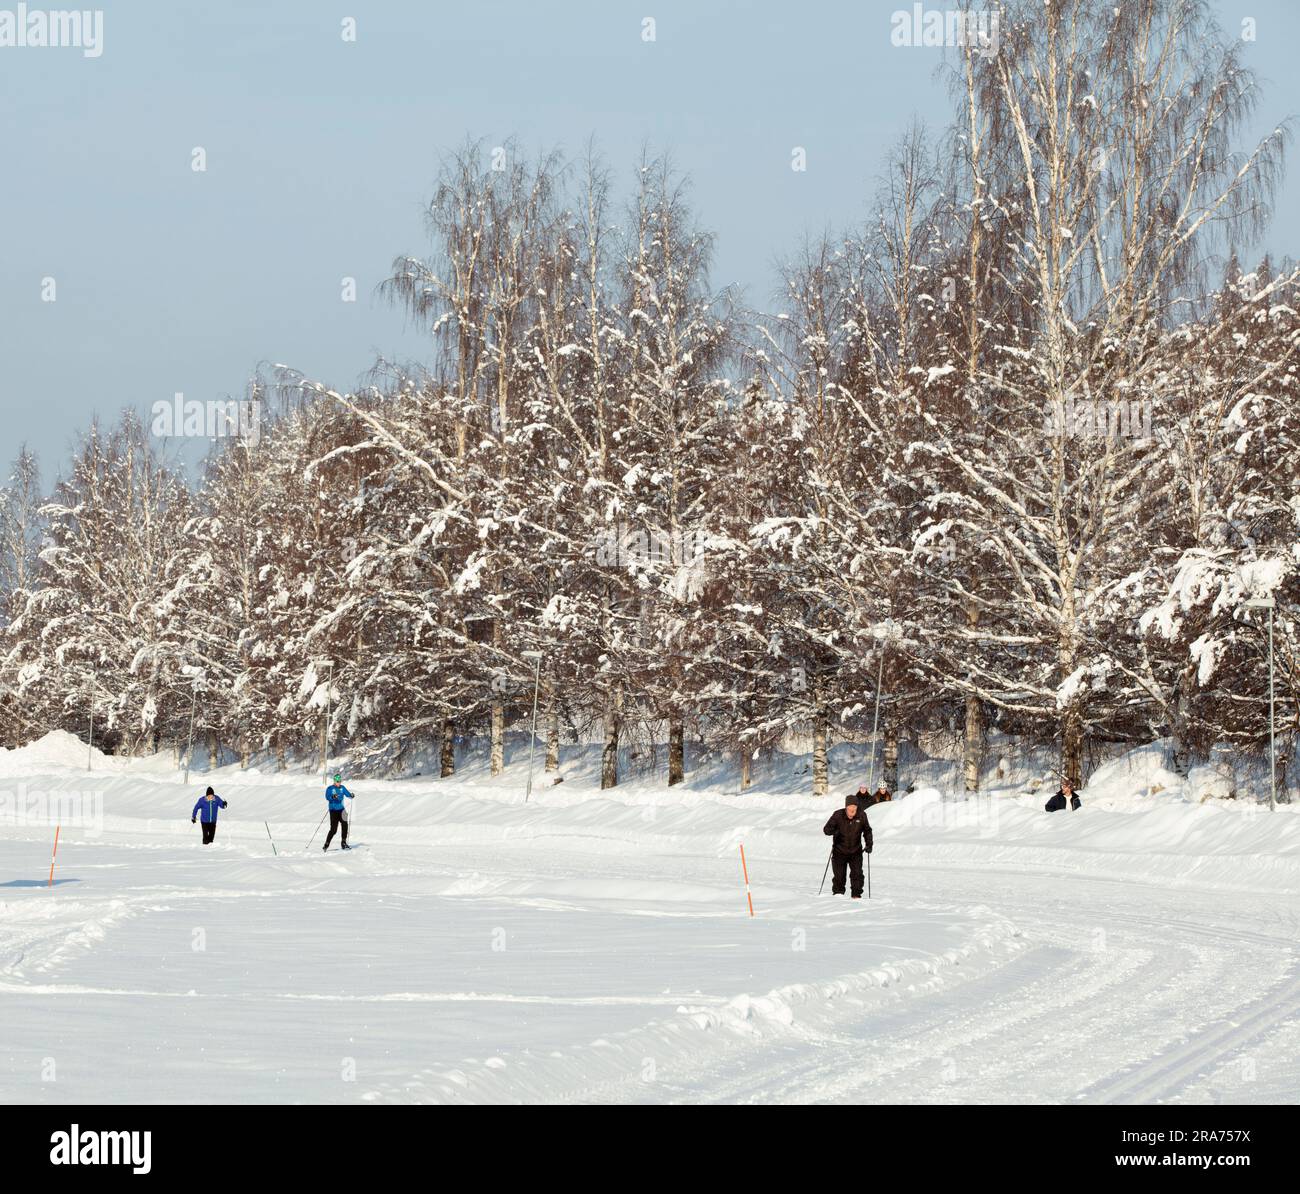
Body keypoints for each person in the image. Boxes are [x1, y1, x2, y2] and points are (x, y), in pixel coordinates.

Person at [823, 793, 874, 898]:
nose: (852, 811)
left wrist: (869, 844)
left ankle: (856, 896)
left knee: (857, 875)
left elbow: (867, 831)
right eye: (850, 808)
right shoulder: (837, 815)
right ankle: (838, 895)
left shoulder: (862, 815)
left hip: (856, 851)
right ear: (846, 807)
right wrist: (835, 831)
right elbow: (826, 829)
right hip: (839, 851)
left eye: (854, 808)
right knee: (839, 876)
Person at [323, 772, 354, 850]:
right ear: (334, 781)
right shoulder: (330, 788)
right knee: (334, 830)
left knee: (345, 824)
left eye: (340, 781)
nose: (339, 783)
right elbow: (327, 797)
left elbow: (347, 794)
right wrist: (332, 796)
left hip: (341, 809)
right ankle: (326, 844)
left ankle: (343, 842)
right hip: (333, 810)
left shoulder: (342, 788)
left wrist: (351, 795)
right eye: (337, 781)